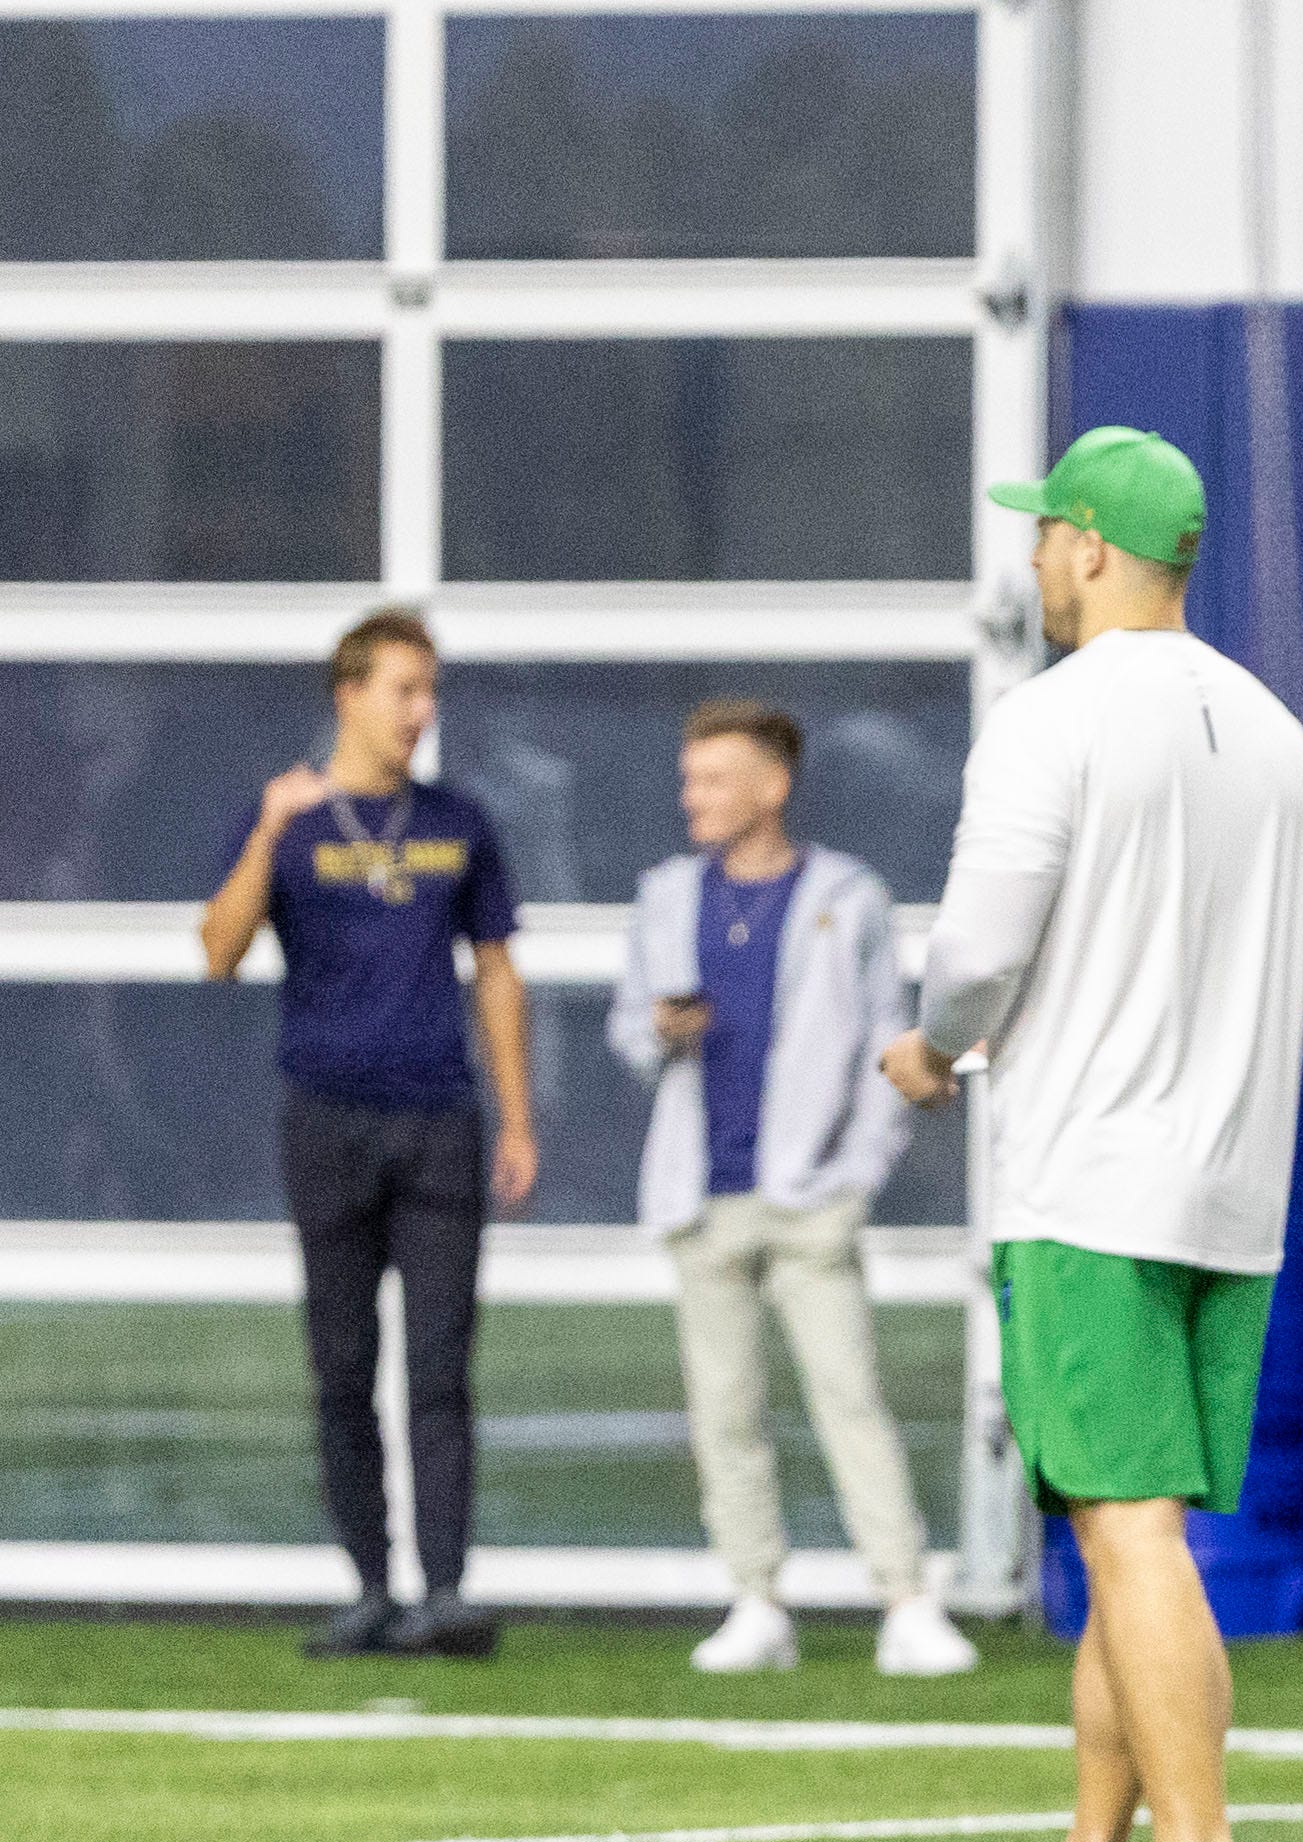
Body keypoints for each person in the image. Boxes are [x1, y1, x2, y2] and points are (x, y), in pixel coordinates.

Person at [883, 426, 1303, 1842]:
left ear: (1087, 546)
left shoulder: (1051, 719)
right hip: (1233, 1189)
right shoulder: (1283, 737)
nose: (1030, 563)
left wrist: (936, 1048)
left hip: (1087, 1178)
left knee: (1124, 1526)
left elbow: (972, 952)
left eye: (1042, 537)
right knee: (1131, 1531)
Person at [607, 700, 975, 1679]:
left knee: (850, 1398)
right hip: (701, 1193)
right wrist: (661, 1031)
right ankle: (755, 1598)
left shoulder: (846, 895)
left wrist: (856, 1173)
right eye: (691, 780)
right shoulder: (666, 893)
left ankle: (905, 1600)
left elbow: (880, 1043)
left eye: (716, 779)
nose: (696, 797)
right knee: (724, 1409)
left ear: (772, 787)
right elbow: (629, 1030)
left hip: (811, 1195)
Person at [200, 607, 534, 1661]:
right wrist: (265, 832)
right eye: (403, 689)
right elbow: (218, 950)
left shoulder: (460, 821)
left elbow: (497, 970)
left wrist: (517, 1116)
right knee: (341, 1366)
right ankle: (371, 1588)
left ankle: (444, 1590)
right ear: (347, 694)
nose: (420, 712)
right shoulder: (288, 819)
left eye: (429, 690)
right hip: (326, 1118)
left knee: (440, 1365)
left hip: (438, 1116)